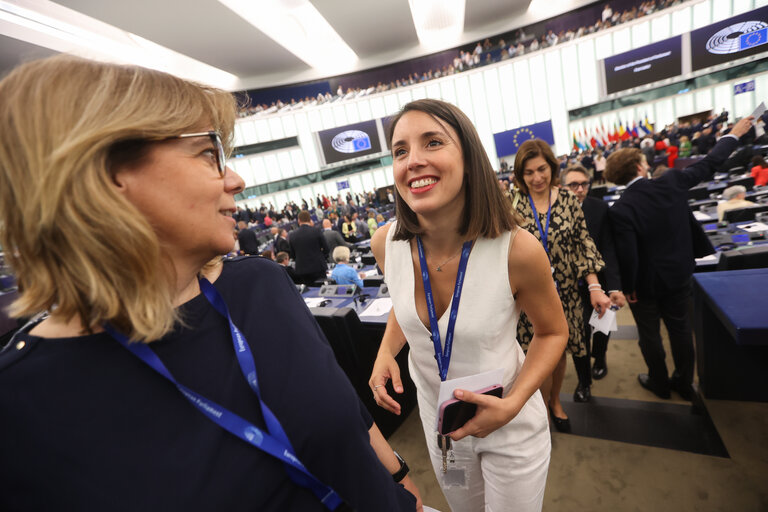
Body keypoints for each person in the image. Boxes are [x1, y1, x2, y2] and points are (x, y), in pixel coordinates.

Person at [0, 56, 420, 511]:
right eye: (208, 153)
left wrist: (398, 474)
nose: (236, 180)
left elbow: (343, 411)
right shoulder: (19, 407)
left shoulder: (263, 285)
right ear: (104, 173)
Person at [368, 99, 568, 511]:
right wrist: (387, 350)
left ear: (468, 157)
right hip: (442, 428)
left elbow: (553, 332)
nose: (413, 161)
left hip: (508, 421)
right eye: (400, 151)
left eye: (433, 142)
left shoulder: (517, 250)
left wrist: (513, 404)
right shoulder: (385, 243)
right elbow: (405, 303)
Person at [604, 116, 752, 401]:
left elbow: (629, 254)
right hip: (678, 276)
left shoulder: (620, 210)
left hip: (644, 287)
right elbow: (710, 163)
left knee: (649, 336)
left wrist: (629, 286)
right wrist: (733, 134)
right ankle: (684, 383)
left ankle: (659, 383)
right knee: (682, 331)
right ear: (639, 167)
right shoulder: (671, 181)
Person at [512, 139, 611, 431]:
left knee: (557, 354)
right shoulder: (511, 203)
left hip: (565, 295)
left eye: (541, 169)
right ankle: (539, 408)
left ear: (552, 167)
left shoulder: (568, 200)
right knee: (532, 358)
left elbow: (584, 244)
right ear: (520, 174)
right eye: (529, 172)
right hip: (527, 298)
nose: (537, 177)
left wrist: (594, 287)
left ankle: (555, 401)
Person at [561, 166, 626, 382]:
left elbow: (609, 247)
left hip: (601, 279)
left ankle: (600, 357)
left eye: (584, 184)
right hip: (570, 283)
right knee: (579, 330)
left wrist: (615, 285)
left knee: (602, 325)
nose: (580, 189)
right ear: (562, 186)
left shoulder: (599, 208)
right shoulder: (556, 211)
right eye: (573, 185)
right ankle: (584, 370)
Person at [288, 210, 330, 285]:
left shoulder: (292, 235)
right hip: (318, 267)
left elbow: (292, 255)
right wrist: (321, 257)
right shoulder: (316, 231)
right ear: (309, 219)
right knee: (322, 292)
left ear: (299, 220)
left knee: (308, 293)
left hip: (302, 269)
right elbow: (326, 249)